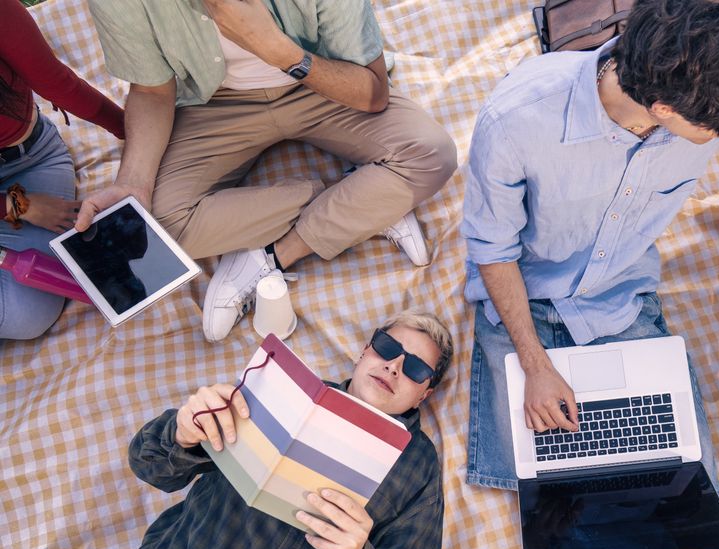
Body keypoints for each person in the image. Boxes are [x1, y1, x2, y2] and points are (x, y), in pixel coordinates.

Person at [459, 1, 719, 549]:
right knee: (555, 492)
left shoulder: (700, 97)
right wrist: (535, 364)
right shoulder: (518, 118)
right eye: (718, 127)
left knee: (681, 479)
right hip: (522, 308)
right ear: (666, 107)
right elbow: (492, 249)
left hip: (623, 300)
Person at [41, 310, 453, 549]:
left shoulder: (418, 471)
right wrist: (184, 432)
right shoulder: (282, 393)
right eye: (386, 347)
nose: (394, 366)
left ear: (425, 394)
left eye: (416, 369)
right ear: (365, 352)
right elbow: (147, 465)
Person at [78, 0, 458, 341]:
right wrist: (133, 184)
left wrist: (277, 50)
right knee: (152, 227)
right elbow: (151, 90)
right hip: (214, 104)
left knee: (431, 154)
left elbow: (373, 92)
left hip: (322, 83)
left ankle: (272, 257)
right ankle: (363, 199)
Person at [0, 0, 124, 340]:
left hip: (27, 164)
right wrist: (17, 207)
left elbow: (58, 84)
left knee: (28, 314)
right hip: (12, 201)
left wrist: (135, 132)